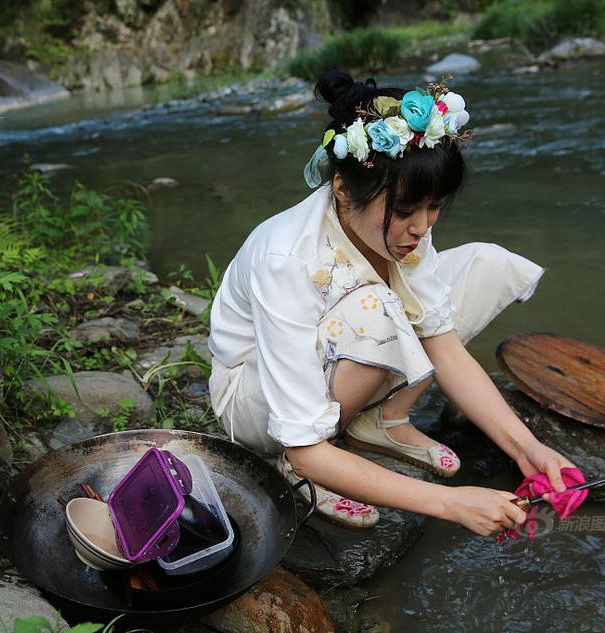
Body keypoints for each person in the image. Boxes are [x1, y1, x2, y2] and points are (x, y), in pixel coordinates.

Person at [207, 69, 576, 536]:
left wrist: (527, 449)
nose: (422, 227)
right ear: (342, 189)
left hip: (338, 354)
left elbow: (443, 346)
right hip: (254, 398)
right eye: (405, 212)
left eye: (434, 206)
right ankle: (300, 474)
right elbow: (304, 444)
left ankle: (384, 417)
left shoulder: (405, 233)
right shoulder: (287, 258)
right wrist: (452, 503)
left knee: (485, 265)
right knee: (378, 312)